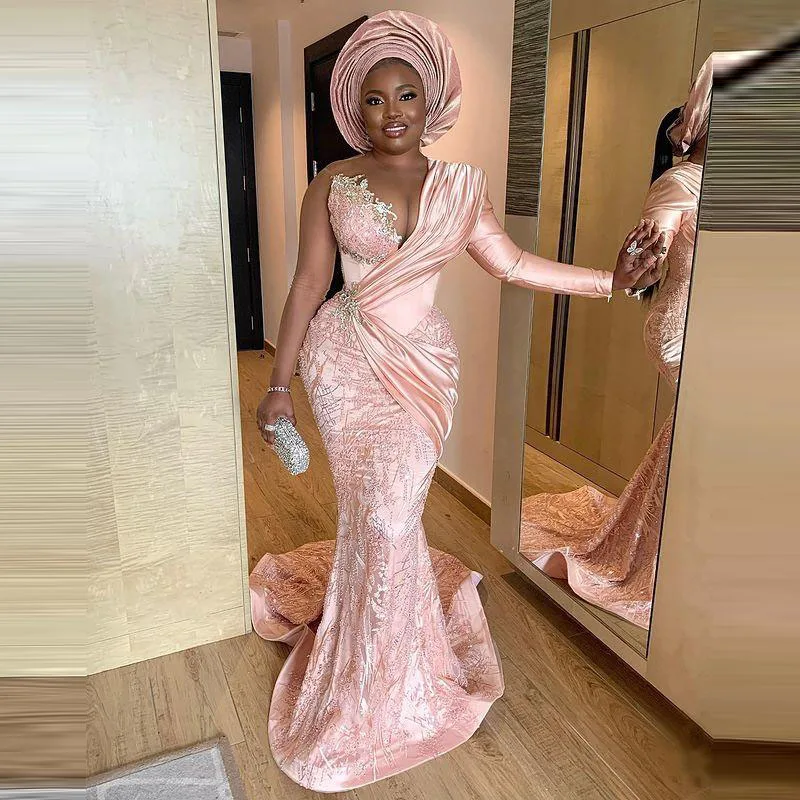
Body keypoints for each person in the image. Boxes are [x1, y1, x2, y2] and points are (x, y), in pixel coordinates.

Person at [250, 11, 664, 792]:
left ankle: (397, 660)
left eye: (407, 94)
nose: (393, 111)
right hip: (345, 362)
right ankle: (365, 677)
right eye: (375, 99)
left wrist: (610, 281)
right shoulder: (332, 183)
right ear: (356, 109)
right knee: (374, 515)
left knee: (392, 514)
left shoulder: (463, 187)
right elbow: (308, 284)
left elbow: (510, 264)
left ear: (432, 100)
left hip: (424, 370)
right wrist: (279, 384)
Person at [519, 56, 712, 629]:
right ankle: (667, 563)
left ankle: (670, 552)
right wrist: (637, 264)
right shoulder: (680, 182)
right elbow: (652, 257)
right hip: (682, 331)